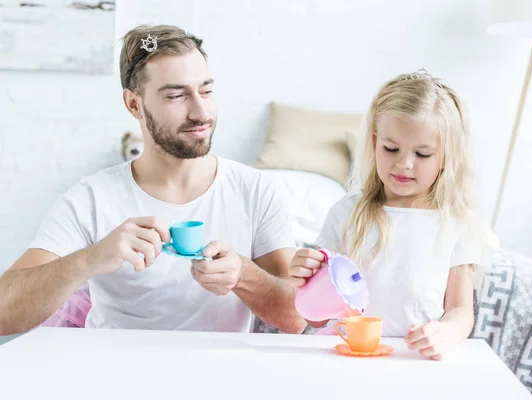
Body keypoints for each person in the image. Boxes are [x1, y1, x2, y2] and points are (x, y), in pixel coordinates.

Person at [0, 24, 306, 335]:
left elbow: (296, 319)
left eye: (206, 90)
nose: (201, 112)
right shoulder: (92, 198)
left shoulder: (257, 191)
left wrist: (243, 275)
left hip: (219, 376)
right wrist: (91, 259)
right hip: (113, 375)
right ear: (134, 104)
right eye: (176, 95)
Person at [288, 70, 490, 360]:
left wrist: (447, 332)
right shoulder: (346, 213)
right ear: (374, 143)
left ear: (445, 156)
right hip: (347, 358)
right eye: (391, 148)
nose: (404, 164)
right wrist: (304, 279)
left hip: (413, 360)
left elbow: (460, 310)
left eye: (422, 154)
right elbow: (315, 318)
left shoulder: (455, 223)